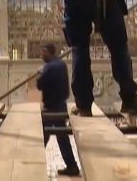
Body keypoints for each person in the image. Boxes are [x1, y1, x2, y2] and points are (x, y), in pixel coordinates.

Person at [37, 43, 80, 177]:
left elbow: (39, 85)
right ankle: (72, 166)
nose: (41, 55)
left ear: (47, 52)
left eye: (42, 52)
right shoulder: (61, 64)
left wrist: (40, 73)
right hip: (61, 105)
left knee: (43, 135)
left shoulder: (49, 68)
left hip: (51, 108)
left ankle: (33, 164)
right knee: (61, 136)